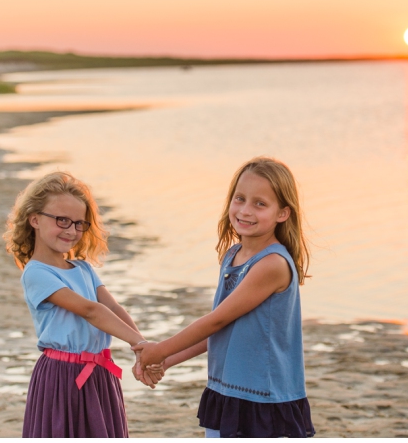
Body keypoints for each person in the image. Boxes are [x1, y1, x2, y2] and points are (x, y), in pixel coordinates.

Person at [133, 157, 316, 438]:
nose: (245, 210)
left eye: (260, 203)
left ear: (283, 213)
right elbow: (223, 332)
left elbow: (216, 321)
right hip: (227, 390)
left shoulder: (272, 265)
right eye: (240, 198)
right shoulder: (233, 256)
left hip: (263, 399)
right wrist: (168, 360)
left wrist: (161, 349)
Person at [4, 171, 159, 438]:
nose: (71, 230)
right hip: (61, 376)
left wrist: (141, 347)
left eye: (79, 223)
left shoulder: (83, 269)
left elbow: (113, 309)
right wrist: (140, 344)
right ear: (35, 219)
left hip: (99, 374)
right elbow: (91, 310)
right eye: (62, 220)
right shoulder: (37, 273)